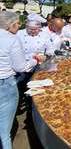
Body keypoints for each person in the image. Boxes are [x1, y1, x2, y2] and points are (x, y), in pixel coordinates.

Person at [0, 11, 45, 149]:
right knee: (4, 130)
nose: (19, 26)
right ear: (11, 25)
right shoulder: (12, 38)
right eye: (18, 23)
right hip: (5, 83)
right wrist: (36, 59)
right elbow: (21, 67)